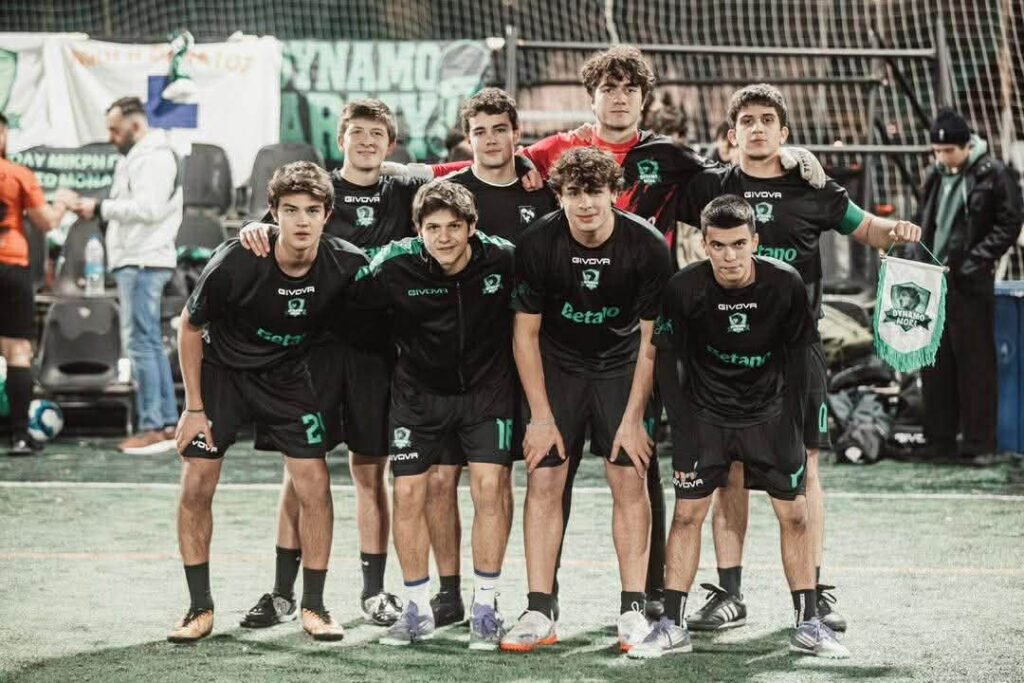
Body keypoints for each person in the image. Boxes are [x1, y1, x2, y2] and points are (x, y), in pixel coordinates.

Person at [676, 83, 921, 634]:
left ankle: (812, 593)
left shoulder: (813, 186)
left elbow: (867, 228)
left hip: (794, 355)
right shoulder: (711, 186)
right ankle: (729, 594)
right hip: (725, 357)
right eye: (747, 121)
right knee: (729, 472)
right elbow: (650, 176)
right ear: (732, 133)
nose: (757, 128)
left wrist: (897, 232)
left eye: (768, 120)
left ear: (784, 133)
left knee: (806, 469)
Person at [630, 194, 848, 659]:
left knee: (795, 515)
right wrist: (683, 429)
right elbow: (667, 364)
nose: (728, 256)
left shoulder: (785, 284)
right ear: (703, 245)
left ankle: (808, 623)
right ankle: (672, 626)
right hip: (707, 417)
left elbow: (801, 360)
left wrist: (793, 424)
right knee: (687, 514)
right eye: (718, 245)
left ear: (755, 242)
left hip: (769, 416)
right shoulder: (684, 288)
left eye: (738, 244)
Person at [237, 99, 417, 628]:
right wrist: (253, 229)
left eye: (377, 134)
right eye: (357, 132)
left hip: (376, 354)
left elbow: (463, 179)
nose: (366, 141)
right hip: (309, 353)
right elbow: (272, 224)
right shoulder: (317, 192)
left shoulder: (405, 191)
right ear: (341, 139)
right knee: (299, 474)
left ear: (390, 144)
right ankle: (281, 594)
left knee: (370, 472)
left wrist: (525, 169)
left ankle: (374, 592)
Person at [169, 161, 367, 643]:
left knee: (314, 484)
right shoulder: (238, 260)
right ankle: (199, 608)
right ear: (273, 213)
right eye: (291, 210)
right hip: (223, 373)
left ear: (327, 215)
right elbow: (189, 327)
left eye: (313, 211)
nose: (302, 220)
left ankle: (314, 605)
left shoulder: (347, 264)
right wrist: (193, 408)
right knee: (197, 482)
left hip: (287, 376)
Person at [500, 147, 672, 654]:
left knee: (629, 474)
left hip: (622, 364)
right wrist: (540, 417)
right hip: (559, 367)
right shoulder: (537, 243)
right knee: (544, 475)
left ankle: (634, 609)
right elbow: (524, 335)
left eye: (595, 191)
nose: (586, 203)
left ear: (614, 192)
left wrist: (634, 418)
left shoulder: (645, 244)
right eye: (574, 193)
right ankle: (539, 608)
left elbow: (652, 340)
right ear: (560, 195)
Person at [352, 181, 516, 648]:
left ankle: (485, 608)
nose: (444, 237)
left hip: (486, 393)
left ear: (472, 228)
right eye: (433, 228)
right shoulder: (392, 264)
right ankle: (417, 609)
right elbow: (348, 304)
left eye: (454, 227)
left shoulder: (503, 258)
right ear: (418, 230)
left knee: (490, 488)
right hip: (418, 396)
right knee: (408, 494)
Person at [425, 88, 559, 626]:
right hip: (452, 358)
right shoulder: (449, 194)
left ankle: (505, 593)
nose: (490, 140)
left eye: (500, 129)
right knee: (440, 481)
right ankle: (447, 592)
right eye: (479, 131)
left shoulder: (543, 192)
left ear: (516, 134)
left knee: (507, 481)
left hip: (524, 356)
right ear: (468, 138)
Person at [69, 96, 183, 455]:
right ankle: (166, 423)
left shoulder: (154, 158)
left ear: (135, 126)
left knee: (141, 345)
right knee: (148, 343)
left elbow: (148, 209)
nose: (111, 137)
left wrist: (99, 207)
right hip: (139, 259)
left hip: (143, 260)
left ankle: (153, 425)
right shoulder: (140, 157)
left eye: (115, 130)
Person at [917, 108, 1023, 464]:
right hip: (934, 280)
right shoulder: (936, 176)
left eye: (949, 150)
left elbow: (1010, 221)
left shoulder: (993, 174)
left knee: (975, 363)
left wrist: (975, 261)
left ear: (966, 146)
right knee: (935, 362)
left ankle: (979, 443)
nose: (942, 157)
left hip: (968, 283)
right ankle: (940, 439)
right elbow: (926, 220)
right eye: (937, 151)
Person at [0, 113, 73, 455]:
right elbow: (46, 223)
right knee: (18, 351)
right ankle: (19, 436)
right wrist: (61, 203)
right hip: (11, 265)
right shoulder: (18, 174)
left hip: (14, 265)